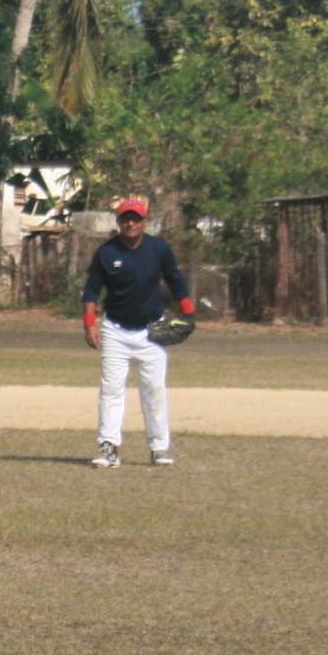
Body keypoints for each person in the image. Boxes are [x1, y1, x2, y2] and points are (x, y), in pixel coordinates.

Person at [82, 197, 194, 469]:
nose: (130, 223)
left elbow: (176, 282)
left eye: (135, 218)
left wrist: (188, 314)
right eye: (125, 218)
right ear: (118, 221)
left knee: (154, 390)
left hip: (151, 331)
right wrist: (89, 323)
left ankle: (159, 448)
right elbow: (92, 290)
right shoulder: (107, 252)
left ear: (145, 221)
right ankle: (108, 448)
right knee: (111, 390)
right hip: (115, 329)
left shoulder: (158, 249)